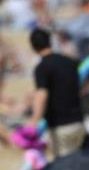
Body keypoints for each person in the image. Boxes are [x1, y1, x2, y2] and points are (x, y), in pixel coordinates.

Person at [27, 27, 84, 158]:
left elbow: (42, 95)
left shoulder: (42, 67)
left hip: (60, 126)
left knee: (63, 168)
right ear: (50, 42)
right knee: (75, 163)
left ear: (33, 47)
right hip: (79, 122)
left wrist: (34, 121)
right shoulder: (70, 62)